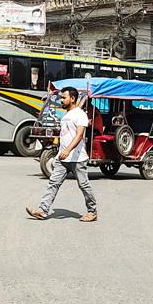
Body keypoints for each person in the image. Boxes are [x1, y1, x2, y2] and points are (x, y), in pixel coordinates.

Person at [27, 86, 97, 222]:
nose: (61, 100)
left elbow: (79, 135)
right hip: (62, 157)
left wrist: (68, 150)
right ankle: (42, 210)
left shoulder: (80, 115)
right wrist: (61, 150)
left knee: (83, 185)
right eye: (61, 97)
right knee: (53, 183)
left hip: (77, 158)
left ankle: (92, 211)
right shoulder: (66, 115)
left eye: (64, 98)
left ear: (73, 99)